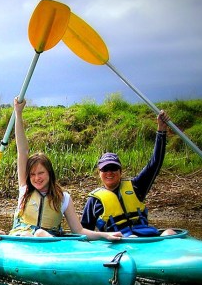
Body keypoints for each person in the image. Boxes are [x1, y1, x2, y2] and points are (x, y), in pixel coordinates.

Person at [9, 98, 121, 241]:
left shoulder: (64, 198)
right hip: (23, 236)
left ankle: (45, 240)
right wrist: (18, 114)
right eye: (33, 174)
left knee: (40, 234)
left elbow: (78, 230)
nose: (37, 178)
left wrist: (104, 235)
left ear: (49, 173)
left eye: (41, 173)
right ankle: (40, 237)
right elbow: (22, 151)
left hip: (50, 240)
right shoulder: (24, 188)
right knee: (31, 233)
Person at [81, 109, 177, 237]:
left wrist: (161, 130)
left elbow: (155, 164)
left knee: (170, 232)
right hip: (120, 243)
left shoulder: (136, 186)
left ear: (121, 171)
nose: (109, 172)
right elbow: (83, 232)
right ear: (99, 173)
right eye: (105, 169)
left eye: (113, 168)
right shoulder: (93, 201)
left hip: (146, 239)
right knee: (132, 237)